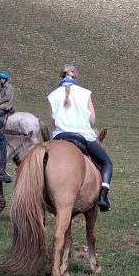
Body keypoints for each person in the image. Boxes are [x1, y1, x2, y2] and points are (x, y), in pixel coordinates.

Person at [47, 64, 113, 211]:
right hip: (83, 136)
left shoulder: (52, 95)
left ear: (62, 76)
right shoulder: (85, 93)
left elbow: (53, 121)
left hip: (59, 136)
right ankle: (103, 197)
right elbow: (92, 120)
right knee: (106, 162)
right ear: (75, 75)